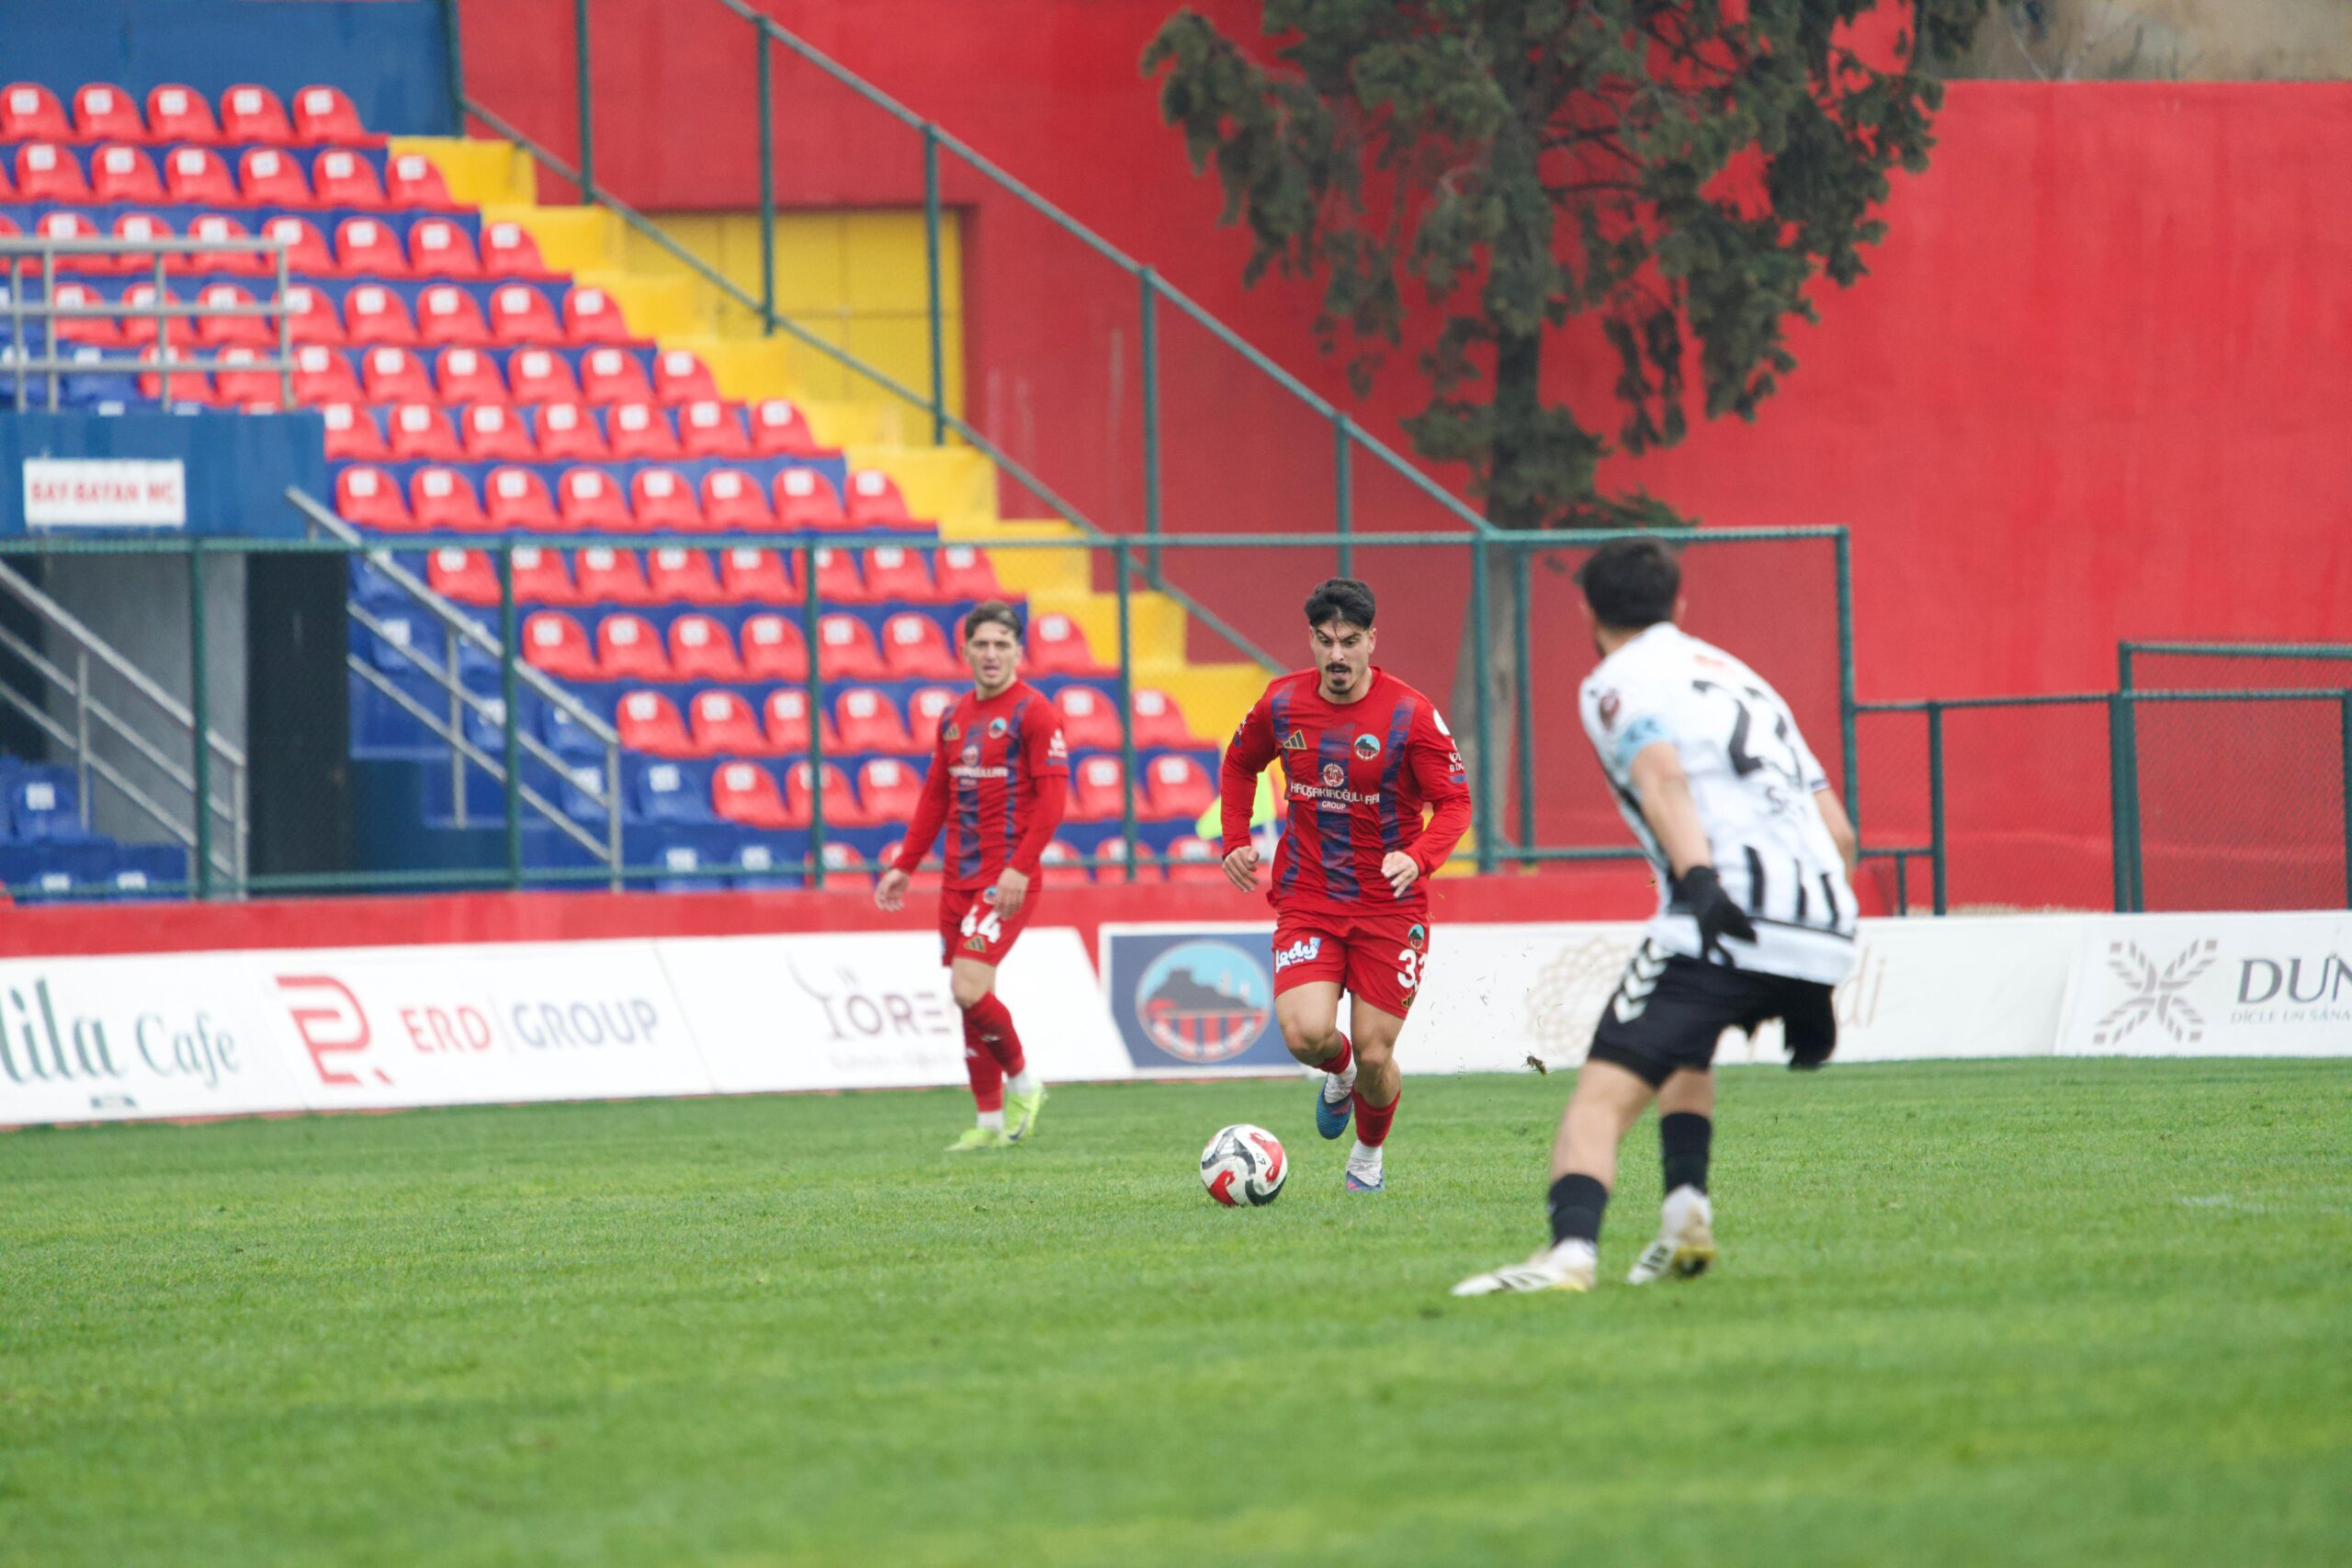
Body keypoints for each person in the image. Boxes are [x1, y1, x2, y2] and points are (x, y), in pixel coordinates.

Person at [1453, 536, 1860, 1296]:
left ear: (1587, 610)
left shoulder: (1616, 681)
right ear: (1679, 604)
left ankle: (1569, 1254)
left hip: (1722, 911)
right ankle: (1683, 1218)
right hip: (1827, 922)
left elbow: (1662, 778)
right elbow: (1838, 833)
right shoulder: (1746, 679)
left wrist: (1701, 881)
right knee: (1688, 1042)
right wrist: (1812, 974)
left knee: (1599, 1100)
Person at [1218, 578, 1473, 1193]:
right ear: (1311, 639)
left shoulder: (1410, 715)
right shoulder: (1281, 704)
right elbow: (1239, 763)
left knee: (1377, 1055)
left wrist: (1420, 855)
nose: (1337, 655)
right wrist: (1234, 837)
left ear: (1371, 641)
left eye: (1350, 642)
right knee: (1307, 1033)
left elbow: (1456, 803)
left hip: (1390, 906)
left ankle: (1367, 1154)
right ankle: (1338, 1071)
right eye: (1326, 641)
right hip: (1309, 896)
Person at [876, 601, 1069, 1152]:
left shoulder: (1035, 713)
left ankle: (1027, 1085)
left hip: (1006, 878)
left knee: (967, 987)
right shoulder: (954, 717)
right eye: (981, 645)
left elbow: (1053, 802)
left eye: (1001, 645)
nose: (990, 655)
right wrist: (903, 866)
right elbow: (936, 796)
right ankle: (987, 1124)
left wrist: (1017, 869)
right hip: (956, 881)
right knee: (970, 996)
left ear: (1017, 651)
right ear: (965, 650)